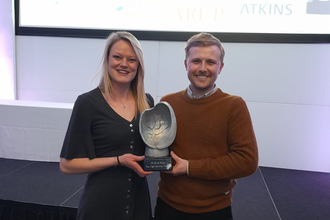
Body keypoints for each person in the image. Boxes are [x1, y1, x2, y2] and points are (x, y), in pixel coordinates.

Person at [154, 33, 259, 220]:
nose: (202, 69)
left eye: (210, 62)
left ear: (221, 67)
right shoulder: (167, 103)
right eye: (196, 61)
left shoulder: (234, 106)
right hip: (167, 206)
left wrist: (189, 167)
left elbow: (247, 162)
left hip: (214, 211)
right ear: (186, 64)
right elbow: (157, 149)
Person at [59, 31, 154, 220]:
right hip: (100, 205)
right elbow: (67, 165)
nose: (124, 64)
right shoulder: (87, 103)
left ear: (139, 65)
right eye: (117, 57)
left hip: (139, 204)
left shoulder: (147, 103)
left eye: (132, 60)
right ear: (107, 60)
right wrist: (118, 160)